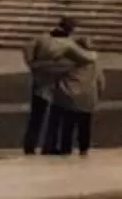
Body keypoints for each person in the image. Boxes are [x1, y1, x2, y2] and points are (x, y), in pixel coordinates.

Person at [43, 24, 105, 157]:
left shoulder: (70, 60)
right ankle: (84, 149)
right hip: (89, 96)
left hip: (70, 95)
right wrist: (98, 94)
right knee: (85, 125)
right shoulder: (95, 62)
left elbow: (57, 73)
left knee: (68, 125)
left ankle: (66, 149)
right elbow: (100, 80)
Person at [21, 17, 78, 155]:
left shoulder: (42, 39)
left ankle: (30, 144)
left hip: (41, 81)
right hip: (58, 83)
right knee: (55, 116)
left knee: (37, 115)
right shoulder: (69, 44)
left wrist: (32, 64)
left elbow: (27, 48)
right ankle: (49, 145)